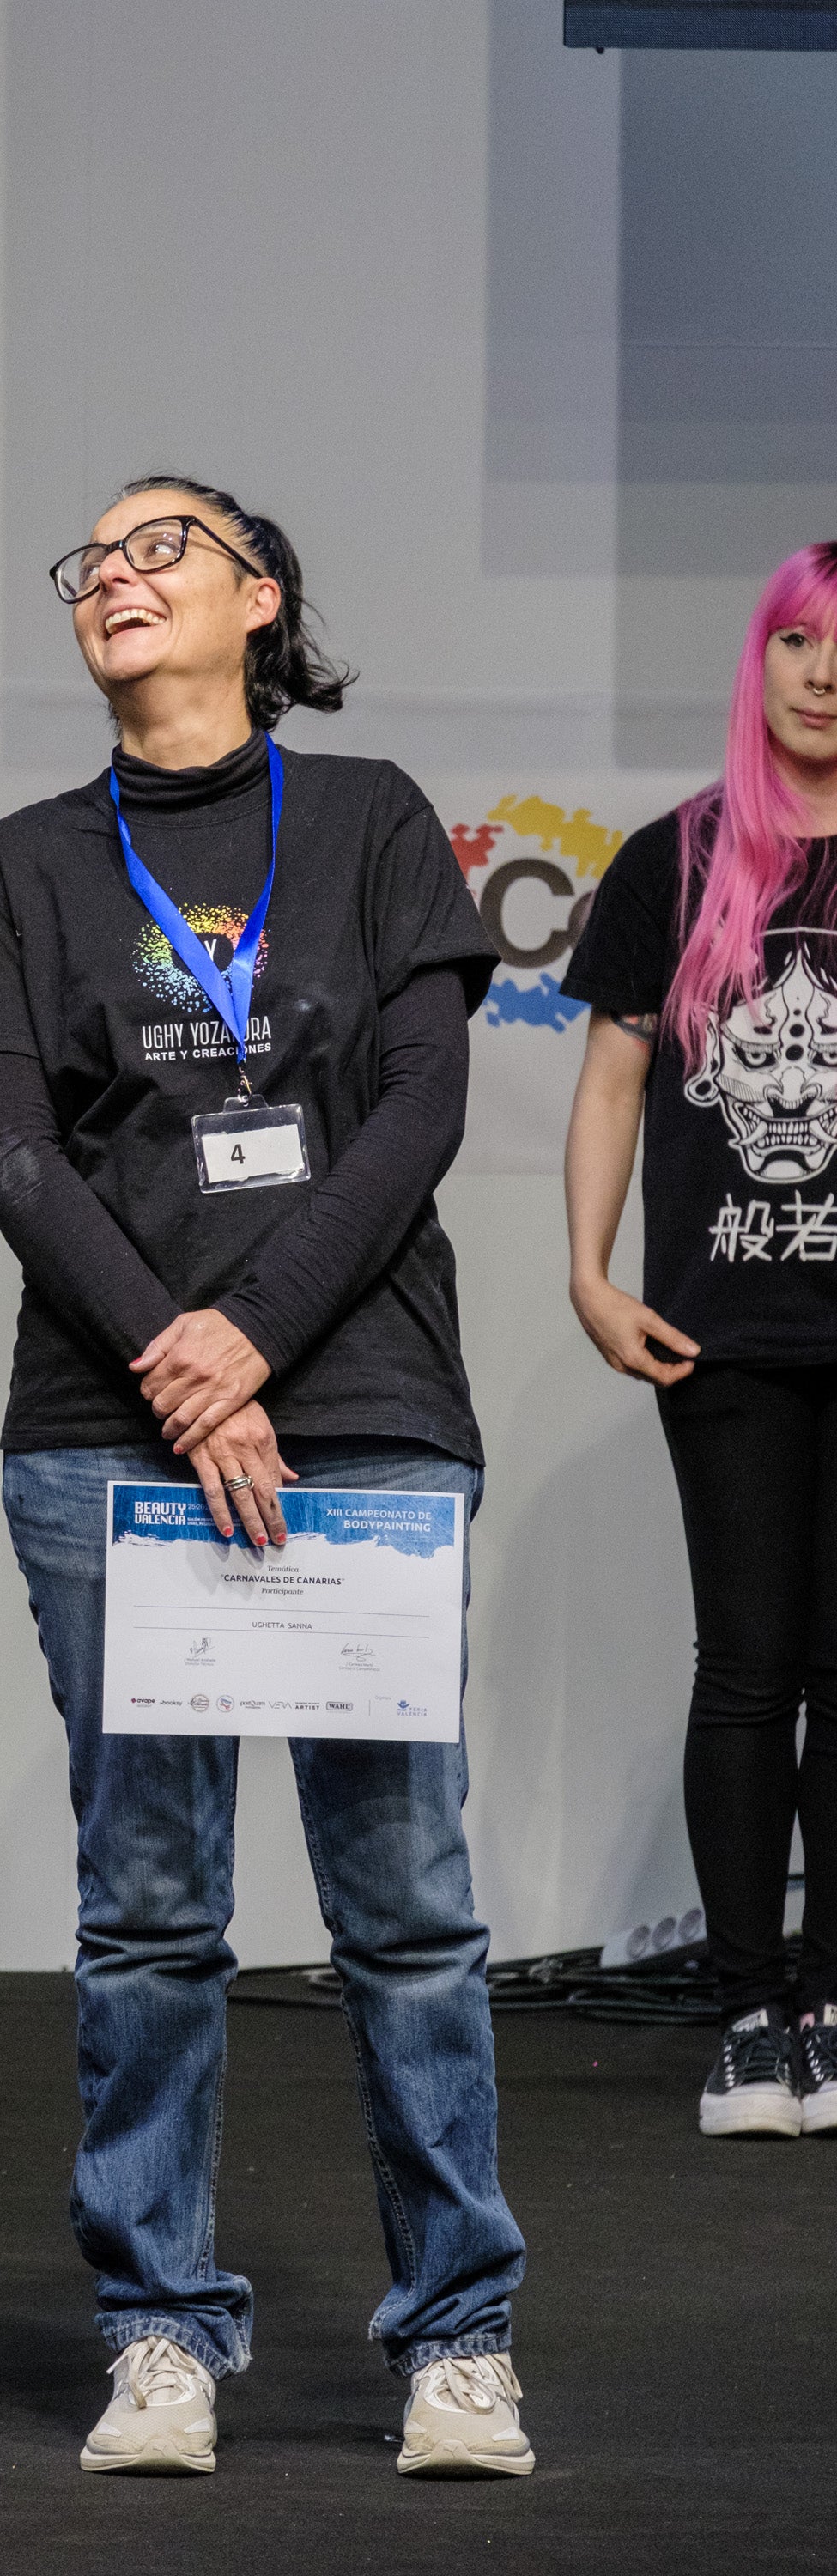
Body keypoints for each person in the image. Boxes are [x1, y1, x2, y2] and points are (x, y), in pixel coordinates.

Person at [0, 477, 533, 2478]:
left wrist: (252, 1337)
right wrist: (185, 1382)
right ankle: (161, 2331)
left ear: (259, 597)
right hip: (108, 1436)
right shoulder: (29, 859)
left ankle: (457, 2340)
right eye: (84, 563)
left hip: (357, 1412)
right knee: (153, 1916)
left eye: (155, 548)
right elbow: (14, 1154)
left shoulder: (359, 820)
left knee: (407, 1907)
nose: (109, 577)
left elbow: (422, 1107)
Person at [562, 543, 837, 2143]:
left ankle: (830, 2003)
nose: (820, 671)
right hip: (719, 1331)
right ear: (761, 659)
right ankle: (750, 2012)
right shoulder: (679, 858)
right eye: (795, 640)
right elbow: (609, 1083)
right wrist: (591, 1278)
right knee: (747, 1669)